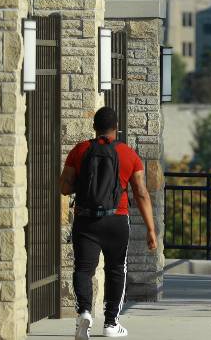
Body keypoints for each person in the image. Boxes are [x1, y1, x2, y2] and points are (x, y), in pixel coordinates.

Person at [59, 107, 157, 340]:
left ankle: (84, 312)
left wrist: (81, 184)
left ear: (94, 127)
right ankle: (111, 323)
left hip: (86, 219)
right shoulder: (128, 154)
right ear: (116, 129)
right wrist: (151, 229)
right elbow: (141, 193)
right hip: (116, 219)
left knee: (83, 269)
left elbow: (64, 187)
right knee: (115, 269)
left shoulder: (79, 150)